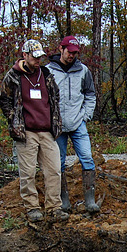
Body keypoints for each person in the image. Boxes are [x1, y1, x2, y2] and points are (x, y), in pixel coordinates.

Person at [0, 39, 69, 223]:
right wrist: (14, 118)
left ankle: (54, 207)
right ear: (25, 55)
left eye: (40, 57)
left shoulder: (46, 74)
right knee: (27, 172)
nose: (38, 60)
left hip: (46, 130)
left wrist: (55, 120)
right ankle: (32, 207)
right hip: (26, 131)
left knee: (54, 170)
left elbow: (55, 96)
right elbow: (3, 99)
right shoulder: (13, 76)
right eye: (35, 56)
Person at [47, 36, 100, 213]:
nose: (72, 55)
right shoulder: (48, 71)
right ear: (61, 49)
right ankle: (63, 200)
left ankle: (89, 200)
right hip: (57, 125)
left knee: (87, 157)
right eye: (69, 52)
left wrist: (86, 115)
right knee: (58, 162)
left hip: (78, 123)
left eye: (75, 52)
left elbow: (90, 94)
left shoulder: (83, 71)